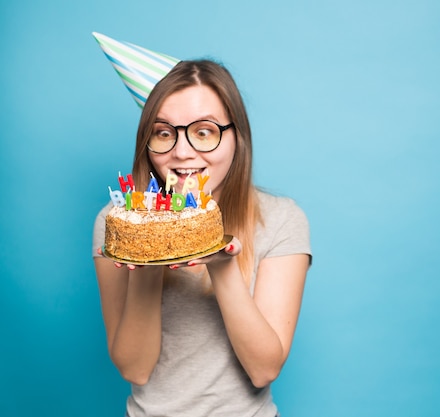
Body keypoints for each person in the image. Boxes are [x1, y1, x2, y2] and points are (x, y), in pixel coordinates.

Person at [92, 59, 312, 417]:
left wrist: (222, 262)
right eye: (164, 133)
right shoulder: (116, 223)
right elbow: (135, 369)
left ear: (236, 136)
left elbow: (264, 370)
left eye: (204, 131)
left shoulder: (281, 219)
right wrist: (149, 256)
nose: (182, 152)